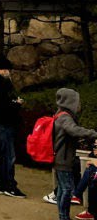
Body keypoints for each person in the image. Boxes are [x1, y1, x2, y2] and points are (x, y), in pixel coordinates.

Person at [54, 88, 97, 220]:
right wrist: (93, 133)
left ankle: (62, 215)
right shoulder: (65, 118)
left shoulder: (60, 115)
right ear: (70, 102)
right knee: (67, 190)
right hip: (64, 159)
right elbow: (74, 130)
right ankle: (64, 216)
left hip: (59, 158)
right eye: (77, 102)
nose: (78, 105)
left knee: (62, 189)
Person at [0, 55, 25, 197]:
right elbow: (2, 105)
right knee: (9, 155)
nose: (10, 73)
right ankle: (9, 185)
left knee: (2, 155)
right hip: (3, 122)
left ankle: (1, 184)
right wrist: (16, 104)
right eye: (8, 70)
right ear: (4, 70)